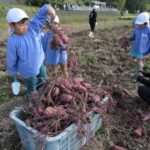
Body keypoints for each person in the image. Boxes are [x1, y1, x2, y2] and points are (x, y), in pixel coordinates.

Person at [6, 4, 56, 101]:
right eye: (21, 25)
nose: (25, 27)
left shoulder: (33, 29)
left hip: (40, 62)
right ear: (11, 25)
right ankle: (29, 99)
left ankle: (41, 93)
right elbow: (11, 58)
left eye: (26, 24)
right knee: (32, 89)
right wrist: (13, 72)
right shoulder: (12, 41)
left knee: (44, 80)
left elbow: (40, 15)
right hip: (28, 70)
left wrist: (49, 10)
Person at [121, 12, 150, 79]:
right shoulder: (136, 28)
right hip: (135, 48)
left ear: (145, 23)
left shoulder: (148, 30)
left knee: (139, 61)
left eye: (140, 24)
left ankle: (140, 72)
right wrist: (127, 38)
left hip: (141, 50)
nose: (138, 25)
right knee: (131, 58)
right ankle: (139, 66)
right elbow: (133, 36)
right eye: (138, 23)